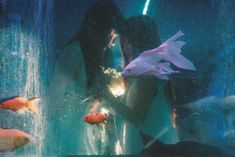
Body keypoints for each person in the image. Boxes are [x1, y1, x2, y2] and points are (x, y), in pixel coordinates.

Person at [45, 0, 124, 155]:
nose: (114, 39)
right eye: (113, 32)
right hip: (66, 131)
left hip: (82, 130)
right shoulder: (74, 53)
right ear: (101, 29)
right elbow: (53, 97)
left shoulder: (95, 55)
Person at [108, 15, 178, 154]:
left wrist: (105, 95)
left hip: (151, 151)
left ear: (130, 42)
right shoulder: (147, 70)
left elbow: (137, 117)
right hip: (151, 149)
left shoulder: (148, 73)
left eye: (123, 41)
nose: (122, 46)